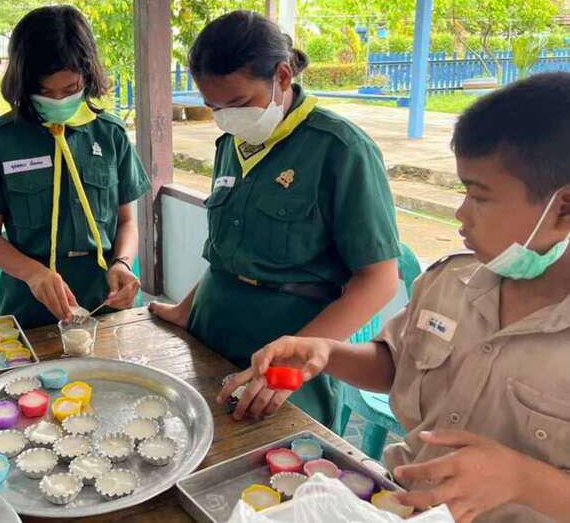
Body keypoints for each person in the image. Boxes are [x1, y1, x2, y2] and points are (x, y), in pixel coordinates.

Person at [221, 73, 570, 523]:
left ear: (562, 207)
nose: (461, 213)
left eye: (480, 197)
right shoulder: (451, 283)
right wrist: (325, 352)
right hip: (400, 504)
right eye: (463, 191)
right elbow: (394, 365)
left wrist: (524, 479)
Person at [150, 11, 400, 427]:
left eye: (238, 104)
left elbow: (379, 279)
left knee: (275, 456)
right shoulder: (233, 144)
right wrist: (185, 309)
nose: (227, 117)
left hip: (288, 339)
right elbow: (230, 254)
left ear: (282, 76)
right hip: (211, 328)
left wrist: (295, 360)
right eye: (214, 107)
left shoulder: (340, 149)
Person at [0, 5, 151, 330]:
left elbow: (127, 221)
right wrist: (34, 274)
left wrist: (122, 263)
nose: (59, 99)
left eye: (70, 89)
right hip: (29, 303)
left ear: (87, 76)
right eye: (45, 92)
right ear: (23, 83)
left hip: (104, 300)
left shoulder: (110, 134)